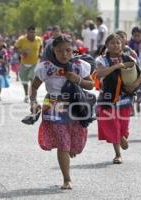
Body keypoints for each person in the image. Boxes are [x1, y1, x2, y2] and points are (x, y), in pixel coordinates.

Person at [29, 35, 94, 189]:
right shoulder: (46, 67)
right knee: (63, 143)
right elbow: (34, 86)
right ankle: (67, 179)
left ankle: (70, 148)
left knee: (76, 143)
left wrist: (77, 79)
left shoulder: (79, 65)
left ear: (73, 50)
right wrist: (33, 101)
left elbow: (91, 85)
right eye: (59, 51)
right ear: (53, 51)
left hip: (75, 105)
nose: (64, 54)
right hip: (53, 105)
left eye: (68, 50)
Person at [95, 33, 141, 164]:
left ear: (122, 45)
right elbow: (99, 74)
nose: (115, 45)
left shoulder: (128, 58)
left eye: (118, 43)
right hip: (108, 97)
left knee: (123, 125)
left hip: (125, 97)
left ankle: (122, 135)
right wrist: (115, 67)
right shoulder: (102, 60)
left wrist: (134, 84)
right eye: (112, 43)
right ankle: (118, 154)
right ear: (107, 45)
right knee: (112, 124)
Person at [15, 25, 42, 103]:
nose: (33, 34)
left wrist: (40, 53)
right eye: (31, 32)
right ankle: (26, 95)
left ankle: (33, 96)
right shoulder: (22, 40)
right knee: (24, 80)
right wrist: (22, 52)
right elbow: (15, 48)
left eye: (34, 32)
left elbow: (41, 46)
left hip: (35, 63)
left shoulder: (38, 39)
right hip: (24, 63)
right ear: (27, 33)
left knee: (33, 79)